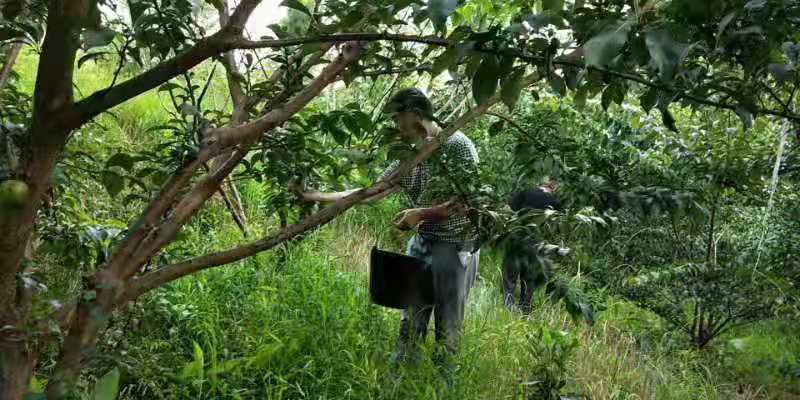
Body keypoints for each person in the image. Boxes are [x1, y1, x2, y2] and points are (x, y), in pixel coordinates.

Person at [292, 88, 480, 369]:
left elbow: (468, 201)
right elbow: (373, 192)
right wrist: (315, 196)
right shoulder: (408, 153)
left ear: (415, 114)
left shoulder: (457, 145)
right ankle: (401, 379)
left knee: (448, 326)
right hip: (423, 244)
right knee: (410, 318)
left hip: (454, 248)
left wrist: (421, 214)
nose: (396, 126)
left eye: (397, 118)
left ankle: (445, 384)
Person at [502, 182, 560, 314]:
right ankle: (525, 309)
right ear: (553, 189)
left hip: (516, 237)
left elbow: (508, 210)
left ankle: (508, 307)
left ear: (539, 186)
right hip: (535, 241)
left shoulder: (525, 192)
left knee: (510, 275)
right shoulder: (554, 202)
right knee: (529, 277)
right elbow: (555, 225)